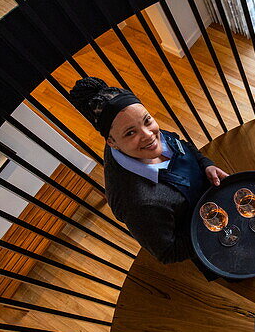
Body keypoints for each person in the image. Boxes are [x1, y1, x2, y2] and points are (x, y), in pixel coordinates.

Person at [68, 77, 229, 264]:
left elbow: (182, 144)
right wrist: (212, 230)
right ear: (111, 142)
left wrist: (205, 164)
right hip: (209, 240)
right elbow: (168, 252)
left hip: (216, 199)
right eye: (130, 133)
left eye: (147, 121)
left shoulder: (144, 135)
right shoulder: (137, 204)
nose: (148, 135)